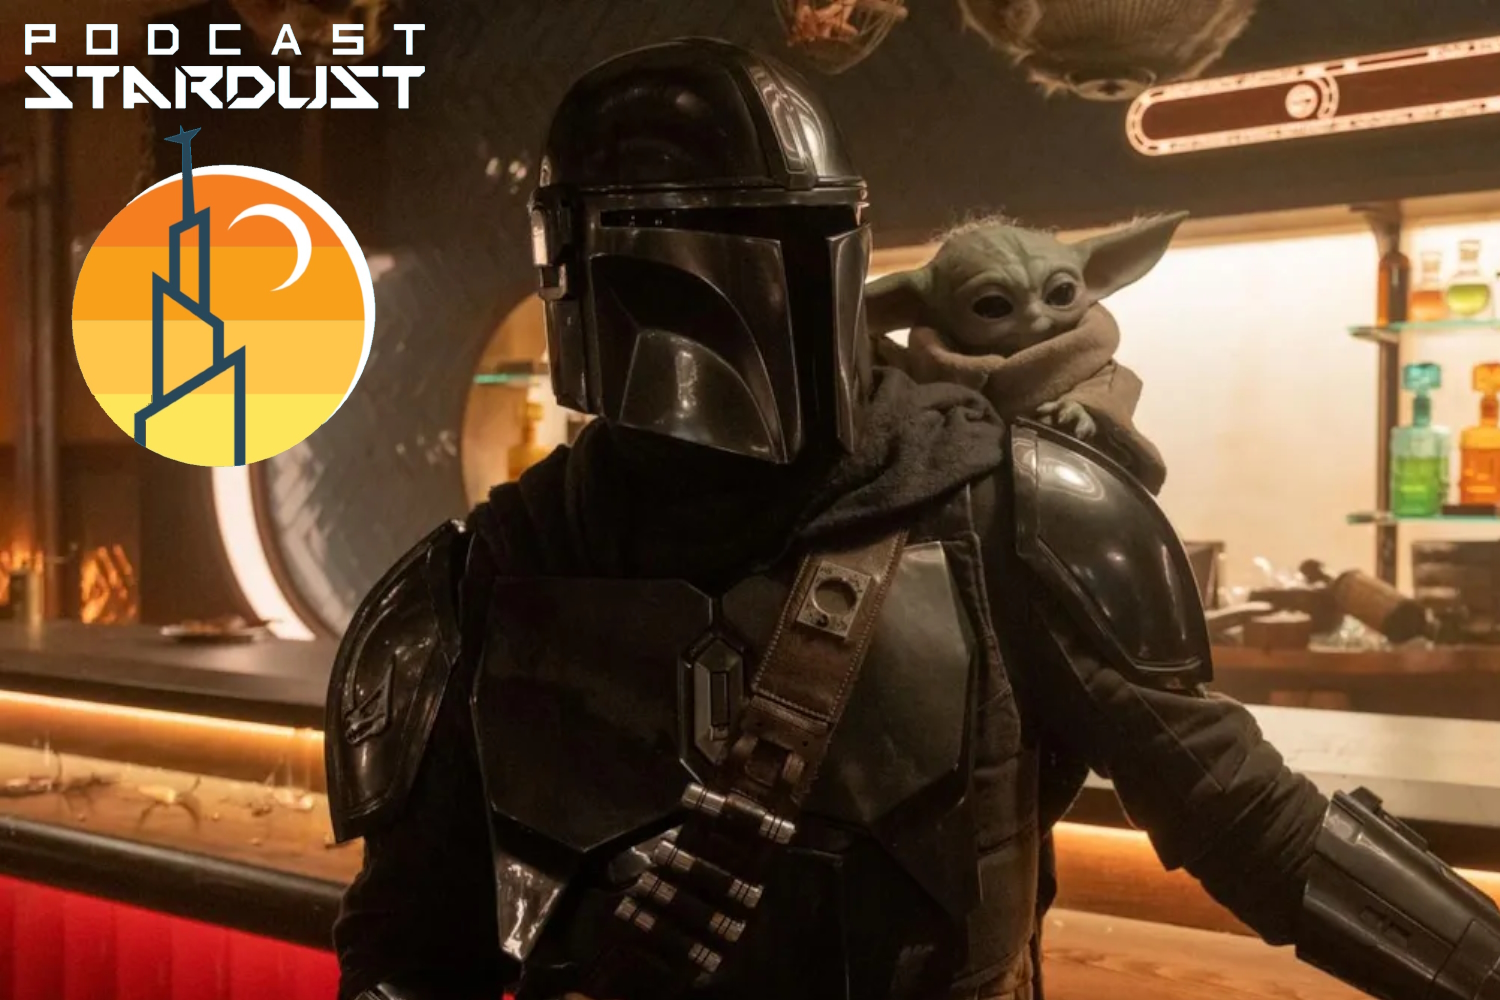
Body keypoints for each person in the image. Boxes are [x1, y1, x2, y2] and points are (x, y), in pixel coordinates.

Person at [325, 37, 1500, 1000]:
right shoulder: (492, 575)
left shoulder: (1021, 510)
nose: (776, 287)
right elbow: (409, 950)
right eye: (737, 242)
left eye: (804, 237)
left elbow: (1252, 821)